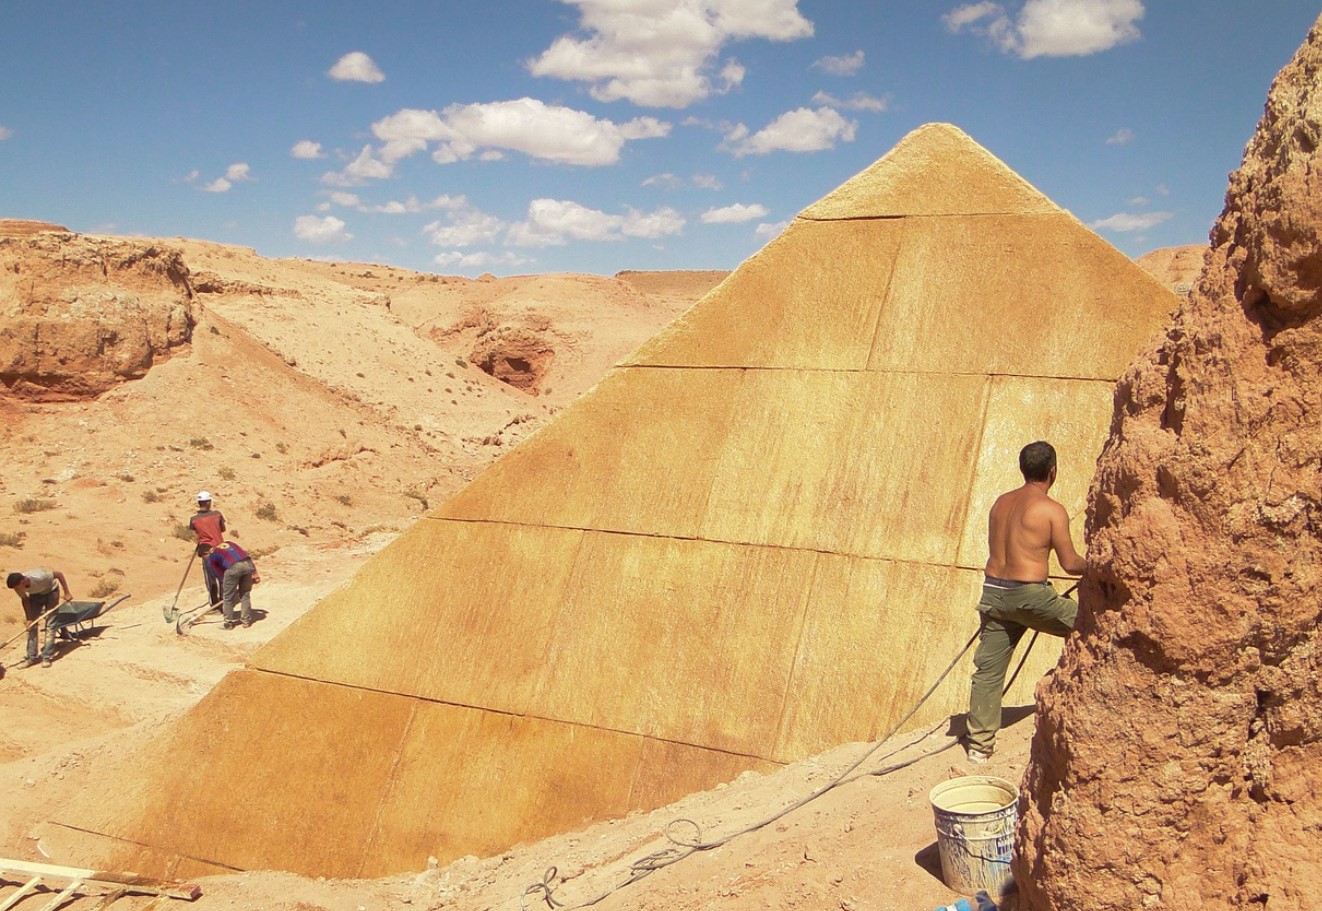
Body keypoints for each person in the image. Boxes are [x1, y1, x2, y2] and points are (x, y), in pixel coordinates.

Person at [965, 441, 1086, 763]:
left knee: (987, 672)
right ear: (1052, 471)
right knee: (1094, 629)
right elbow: (1071, 564)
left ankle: (979, 746)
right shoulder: (1051, 509)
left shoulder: (1000, 503)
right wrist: (1102, 564)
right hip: (1030, 596)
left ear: (1023, 469)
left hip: (993, 593)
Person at [6, 567, 72, 668]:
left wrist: (67, 592)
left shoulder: (40, 576)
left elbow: (59, 574)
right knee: (31, 626)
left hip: (51, 592)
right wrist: (29, 619)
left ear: (23, 581)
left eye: (17, 586)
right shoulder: (18, 586)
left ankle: (46, 657)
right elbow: (25, 600)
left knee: (51, 624)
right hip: (36, 595)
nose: (17, 589)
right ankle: (31, 658)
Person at [203, 541, 260, 629]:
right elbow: (246, 556)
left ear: (207, 552)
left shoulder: (212, 556)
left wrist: (228, 586)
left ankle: (228, 623)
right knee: (245, 595)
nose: (206, 558)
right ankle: (246, 621)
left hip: (233, 568)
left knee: (227, 598)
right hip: (247, 564)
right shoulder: (230, 543)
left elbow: (219, 575)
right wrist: (254, 573)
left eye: (204, 556)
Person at [189, 491, 227, 608]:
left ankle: (214, 603)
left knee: (210, 578)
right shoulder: (217, 514)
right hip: (219, 548)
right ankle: (224, 601)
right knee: (222, 575)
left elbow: (196, 531)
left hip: (205, 550)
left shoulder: (193, 519)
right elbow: (223, 529)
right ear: (209, 502)